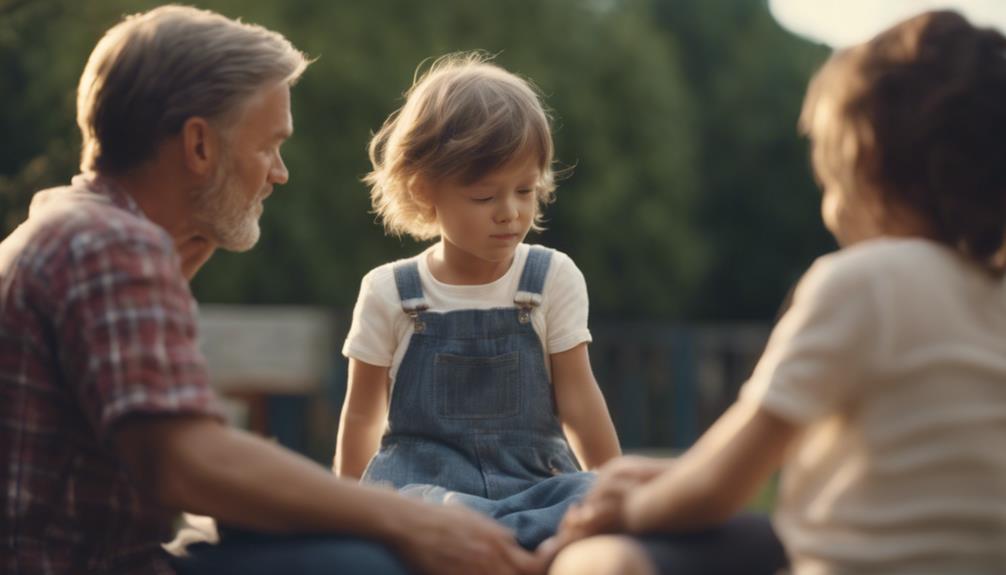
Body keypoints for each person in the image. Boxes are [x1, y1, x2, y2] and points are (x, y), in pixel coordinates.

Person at [0, 7, 538, 575]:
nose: (279, 173)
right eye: (267, 146)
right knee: (364, 564)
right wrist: (405, 518)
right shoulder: (109, 246)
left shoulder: (70, 225)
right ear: (200, 147)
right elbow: (184, 461)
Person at [546, 9, 1006, 575]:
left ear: (864, 165)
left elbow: (722, 485)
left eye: (830, 183)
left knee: (598, 561)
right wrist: (665, 476)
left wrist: (631, 508)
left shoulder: (864, 282)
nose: (828, 207)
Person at [335, 52, 622, 550]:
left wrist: (618, 494)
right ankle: (515, 551)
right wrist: (341, 514)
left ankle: (498, 547)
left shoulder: (552, 277)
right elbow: (362, 415)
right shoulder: (390, 292)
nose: (510, 213)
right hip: (424, 491)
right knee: (409, 508)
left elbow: (578, 399)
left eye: (525, 190)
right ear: (426, 192)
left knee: (586, 494)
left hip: (534, 488)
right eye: (485, 197)